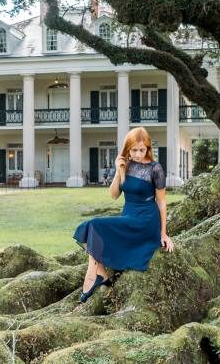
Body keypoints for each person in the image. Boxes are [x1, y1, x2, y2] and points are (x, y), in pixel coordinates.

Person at [73, 127, 175, 302]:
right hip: (128, 214)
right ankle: (100, 273)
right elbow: (113, 195)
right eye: (134, 150)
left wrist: (163, 233)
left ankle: (94, 275)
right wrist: (118, 171)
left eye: (142, 150)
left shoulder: (155, 168)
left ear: (148, 149)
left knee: (95, 225)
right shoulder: (125, 165)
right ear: (127, 149)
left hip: (146, 220)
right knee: (89, 228)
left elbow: (161, 201)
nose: (137, 154)